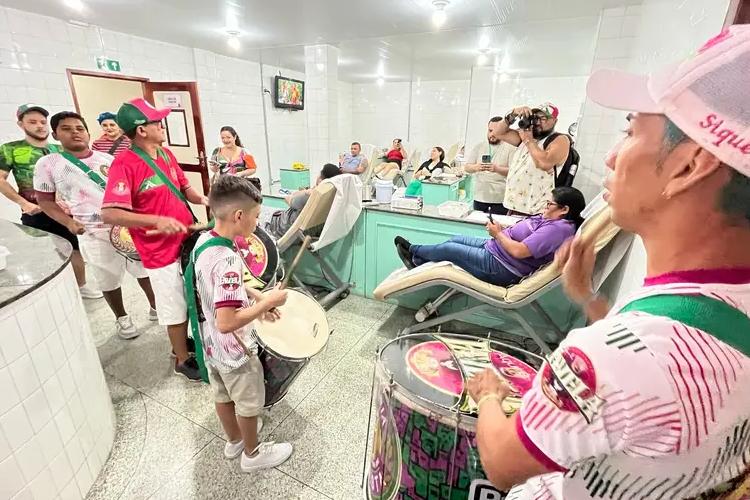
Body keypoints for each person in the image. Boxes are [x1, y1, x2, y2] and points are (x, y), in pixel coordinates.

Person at [466, 25, 750, 500]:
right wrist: (588, 298)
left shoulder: (611, 360)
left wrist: (490, 395)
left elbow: (501, 462)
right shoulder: (726, 303)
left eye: (631, 131)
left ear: (688, 166)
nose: (613, 157)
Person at [101, 98, 209, 381]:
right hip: (159, 251)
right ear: (141, 130)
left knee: (189, 297)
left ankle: (184, 342)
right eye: (156, 122)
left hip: (186, 240)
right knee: (174, 306)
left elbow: (184, 186)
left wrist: (202, 198)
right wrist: (156, 221)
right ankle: (182, 360)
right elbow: (110, 213)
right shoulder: (124, 164)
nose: (162, 126)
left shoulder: (165, 154)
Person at [194, 175, 293, 472]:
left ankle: (235, 440)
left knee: (223, 395)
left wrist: (255, 295)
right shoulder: (227, 260)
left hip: (210, 343)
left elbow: (217, 289)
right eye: (256, 216)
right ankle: (252, 453)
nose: (257, 222)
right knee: (249, 402)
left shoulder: (205, 241)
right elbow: (227, 322)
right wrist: (267, 302)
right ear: (239, 216)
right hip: (235, 349)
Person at [34, 111, 157, 339]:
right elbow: (45, 201)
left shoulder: (107, 160)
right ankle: (122, 318)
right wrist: (68, 222)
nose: (75, 133)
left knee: (143, 270)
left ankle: (155, 306)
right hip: (92, 231)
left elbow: (129, 190)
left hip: (125, 227)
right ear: (55, 134)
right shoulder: (49, 164)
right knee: (107, 277)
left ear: (88, 132)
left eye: (79, 128)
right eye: (66, 129)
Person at [0, 104, 101, 299]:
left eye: (42, 122)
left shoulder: (59, 150)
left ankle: (81, 286)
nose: (39, 126)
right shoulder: (11, 149)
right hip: (36, 211)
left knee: (74, 247)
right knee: (47, 252)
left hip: (66, 211)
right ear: (21, 124)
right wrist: (23, 203)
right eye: (32, 122)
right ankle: (53, 292)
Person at [394, 187, 585, 286]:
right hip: (496, 249)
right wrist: (501, 232)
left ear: (564, 209)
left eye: (550, 204)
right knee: (455, 239)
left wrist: (498, 234)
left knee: (449, 249)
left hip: (502, 267)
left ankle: (412, 250)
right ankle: (417, 260)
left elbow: (520, 251)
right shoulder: (553, 221)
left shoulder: (558, 230)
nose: (545, 206)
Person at [495, 103, 570, 216]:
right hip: (514, 208)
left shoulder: (560, 139)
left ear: (555, 121)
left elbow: (544, 163)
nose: (538, 122)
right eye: (535, 117)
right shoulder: (526, 136)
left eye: (543, 118)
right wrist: (513, 113)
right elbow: (497, 132)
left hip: (538, 213)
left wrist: (529, 140)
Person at [266, 163, 341, 239]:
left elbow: (288, 199)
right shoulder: (333, 196)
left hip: (282, 228)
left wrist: (305, 192)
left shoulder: (310, 195)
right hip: (310, 232)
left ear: (321, 179)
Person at [464, 117, 518, 214]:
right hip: (479, 198)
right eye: (490, 130)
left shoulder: (511, 148)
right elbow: (467, 167)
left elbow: (514, 172)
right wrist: (476, 167)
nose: (492, 134)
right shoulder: (479, 146)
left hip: (500, 199)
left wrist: (497, 169)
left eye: (496, 131)